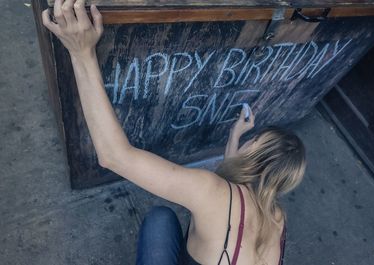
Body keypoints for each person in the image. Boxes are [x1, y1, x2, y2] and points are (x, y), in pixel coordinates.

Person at [42, 1, 306, 264]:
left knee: (160, 219)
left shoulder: (211, 193)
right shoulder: (278, 221)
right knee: (164, 219)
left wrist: (81, 53)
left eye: (253, 140)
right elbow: (235, 185)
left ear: (254, 152)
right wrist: (235, 135)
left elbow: (114, 156)